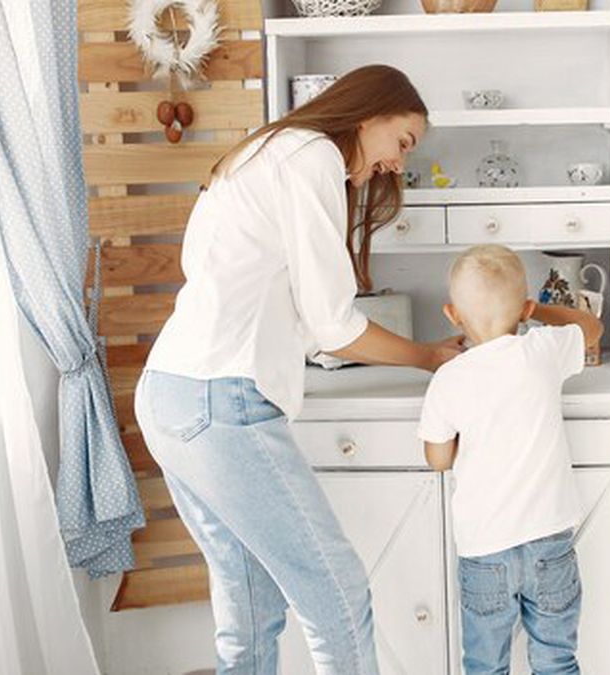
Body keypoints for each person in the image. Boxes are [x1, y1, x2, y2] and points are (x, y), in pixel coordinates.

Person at [134, 65, 463, 675]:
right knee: (336, 592)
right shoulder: (311, 157)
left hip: (170, 391)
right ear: (370, 115)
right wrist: (428, 356)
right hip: (219, 400)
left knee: (251, 600)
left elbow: (282, 307)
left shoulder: (263, 150)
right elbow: (332, 325)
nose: (397, 163)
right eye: (404, 143)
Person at [417, 244, 603, 675]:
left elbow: (438, 460)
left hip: (485, 550)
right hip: (549, 543)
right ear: (524, 309)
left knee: (485, 666)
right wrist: (538, 313)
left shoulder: (449, 379)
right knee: (557, 661)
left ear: (452, 314)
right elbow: (591, 327)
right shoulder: (541, 350)